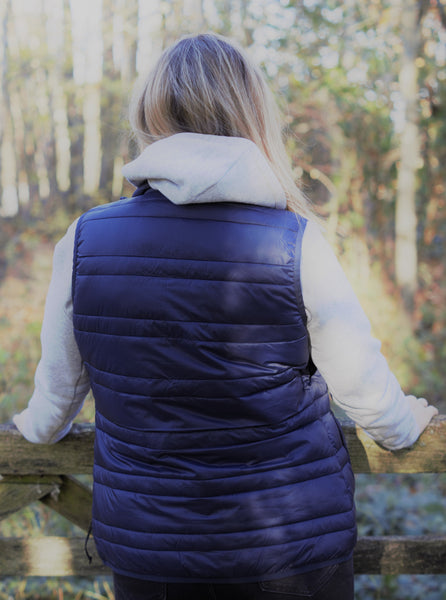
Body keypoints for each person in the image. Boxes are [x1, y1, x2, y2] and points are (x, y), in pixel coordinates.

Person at [12, 33, 437, 600]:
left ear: (149, 116)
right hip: (289, 554)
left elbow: (55, 401)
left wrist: (34, 432)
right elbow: (366, 395)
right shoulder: (294, 242)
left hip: (153, 558)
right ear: (251, 114)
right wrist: (407, 424)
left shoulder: (85, 240)